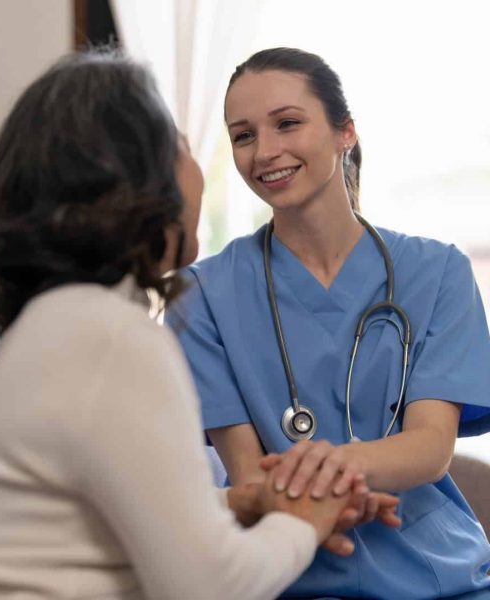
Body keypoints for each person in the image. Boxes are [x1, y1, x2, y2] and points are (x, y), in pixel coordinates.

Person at [0, 50, 398, 600]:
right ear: (136, 182)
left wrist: (250, 503)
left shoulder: (59, 324)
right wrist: (304, 521)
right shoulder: (113, 339)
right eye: (181, 144)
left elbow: (96, 521)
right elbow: (214, 586)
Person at [167, 46, 490, 599]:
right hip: (290, 576)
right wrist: (340, 479)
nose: (265, 152)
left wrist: (324, 466)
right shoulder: (200, 297)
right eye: (243, 136)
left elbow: (430, 447)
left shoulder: (437, 273)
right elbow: (248, 478)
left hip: (436, 579)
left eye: (287, 123)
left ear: (345, 132)